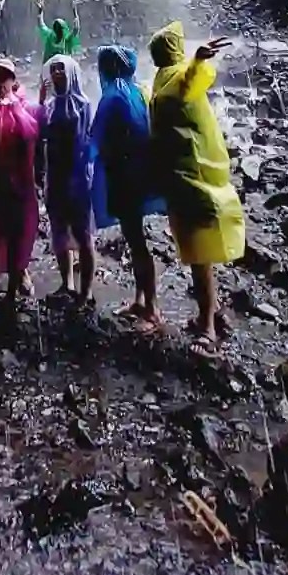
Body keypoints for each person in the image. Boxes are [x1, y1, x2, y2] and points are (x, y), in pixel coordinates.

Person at [148, 22, 243, 354]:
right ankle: (210, 314)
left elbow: (188, 82)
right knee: (197, 254)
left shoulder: (177, 76)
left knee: (201, 256)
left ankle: (208, 327)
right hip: (181, 176)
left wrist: (198, 60)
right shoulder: (163, 77)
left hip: (193, 176)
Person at [91, 45, 167, 329]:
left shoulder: (112, 97)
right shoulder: (135, 92)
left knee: (136, 242)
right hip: (138, 173)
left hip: (123, 177)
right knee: (135, 240)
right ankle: (140, 299)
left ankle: (152, 309)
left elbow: (95, 139)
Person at [0, 56, 41, 304]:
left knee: (18, 232)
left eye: (4, 77)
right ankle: (15, 279)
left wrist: (14, 109)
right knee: (1, 230)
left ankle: (16, 282)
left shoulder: (24, 106)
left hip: (19, 182)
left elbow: (32, 133)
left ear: (13, 80)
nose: (0, 82)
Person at [38, 55, 97, 302]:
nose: (56, 73)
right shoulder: (50, 105)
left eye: (61, 69)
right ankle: (67, 283)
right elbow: (41, 134)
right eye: (53, 69)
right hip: (55, 176)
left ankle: (87, 290)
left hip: (78, 177)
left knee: (83, 235)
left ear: (72, 73)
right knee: (59, 232)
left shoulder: (84, 104)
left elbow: (88, 141)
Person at [37, 0, 81, 64]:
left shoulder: (54, 36)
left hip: (54, 64)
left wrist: (40, 11)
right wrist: (75, 13)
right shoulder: (65, 38)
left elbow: (41, 24)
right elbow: (76, 29)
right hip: (56, 64)